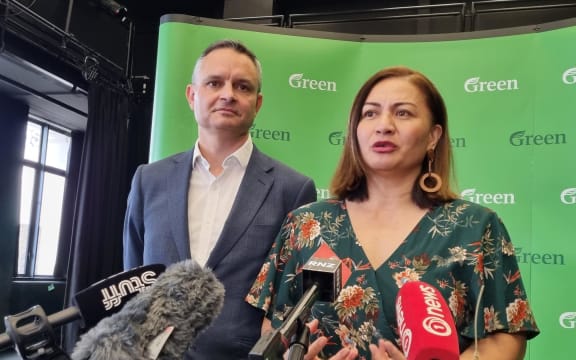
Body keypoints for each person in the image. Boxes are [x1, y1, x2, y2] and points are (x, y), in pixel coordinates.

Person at [246, 66, 539, 359]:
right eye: (370, 113)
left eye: (403, 113)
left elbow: (505, 338)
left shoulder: (474, 226)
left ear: (433, 136)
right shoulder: (307, 223)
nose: (383, 125)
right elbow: (276, 327)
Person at [123, 40, 317, 359]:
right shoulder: (149, 180)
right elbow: (132, 277)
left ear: (258, 103)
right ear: (192, 95)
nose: (228, 94)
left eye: (242, 86)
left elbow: (293, 297)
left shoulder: (292, 189)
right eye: (214, 82)